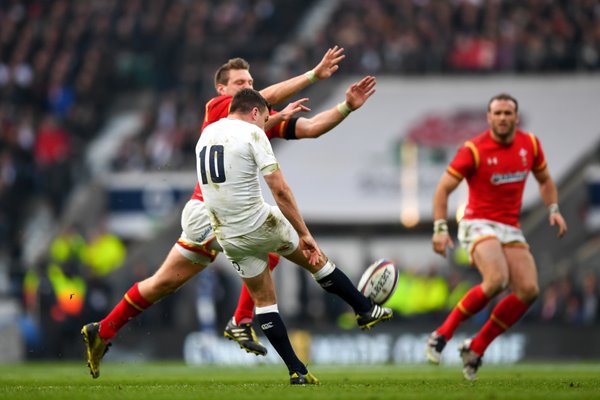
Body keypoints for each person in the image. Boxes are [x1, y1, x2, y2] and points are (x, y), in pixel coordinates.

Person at [81, 46, 378, 378]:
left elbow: (310, 127)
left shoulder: (254, 124)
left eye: (250, 80)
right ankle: (244, 320)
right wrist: (312, 75)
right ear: (222, 90)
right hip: (208, 212)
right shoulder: (218, 108)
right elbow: (260, 98)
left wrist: (346, 107)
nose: (247, 86)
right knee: (269, 241)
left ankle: (103, 330)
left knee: (163, 283)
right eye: (239, 82)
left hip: (210, 216)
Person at [197, 88, 392, 384]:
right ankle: (364, 309)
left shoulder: (207, 134)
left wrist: (280, 117)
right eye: (265, 117)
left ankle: (296, 371)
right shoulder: (254, 134)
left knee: (264, 302)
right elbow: (280, 190)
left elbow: (237, 146)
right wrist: (304, 233)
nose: (266, 123)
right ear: (254, 113)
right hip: (261, 222)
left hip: (229, 235)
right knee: (317, 261)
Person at [425, 93, 568, 380]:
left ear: (516, 117)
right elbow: (442, 189)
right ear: (489, 118)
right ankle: (442, 334)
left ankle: (476, 348)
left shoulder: (531, 145)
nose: (503, 118)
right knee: (497, 279)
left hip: (509, 227)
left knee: (529, 291)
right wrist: (440, 229)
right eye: (497, 113)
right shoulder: (474, 149)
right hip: (478, 223)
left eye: (507, 113)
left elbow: (545, 180)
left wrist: (553, 208)